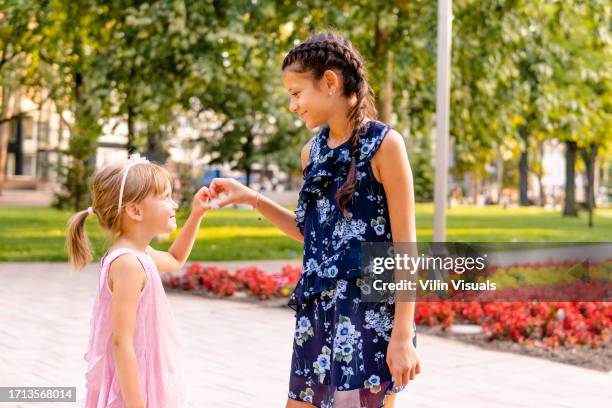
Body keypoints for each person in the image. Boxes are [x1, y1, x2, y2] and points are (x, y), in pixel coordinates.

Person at [208, 32, 421, 408]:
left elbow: (406, 247)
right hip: (318, 312)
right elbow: (312, 235)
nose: (293, 105)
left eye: (296, 93)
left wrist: (402, 334)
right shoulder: (312, 153)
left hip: (369, 313)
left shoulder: (386, 145)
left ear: (330, 82)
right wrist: (251, 197)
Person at [66, 154, 216, 407]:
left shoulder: (139, 254)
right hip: (131, 387)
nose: (174, 204)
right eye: (165, 197)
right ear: (135, 211)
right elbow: (121, 341)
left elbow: (175, 258)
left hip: (144, 372)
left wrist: (197, 214)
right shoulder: (127, 263)